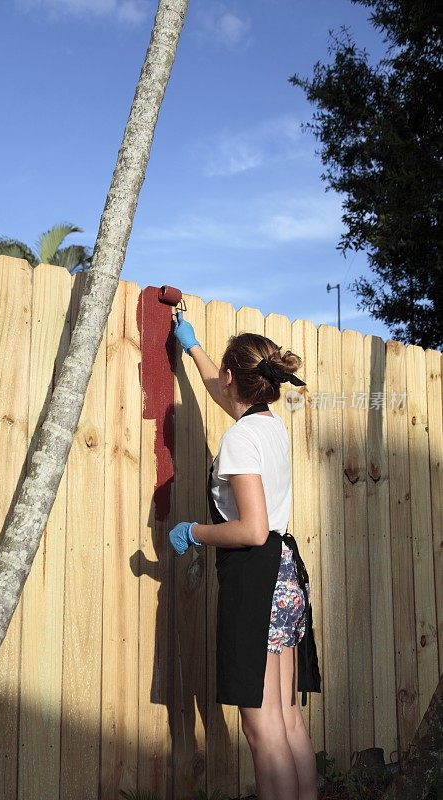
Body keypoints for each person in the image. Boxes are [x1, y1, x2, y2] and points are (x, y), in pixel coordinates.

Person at [168, 311, 321, 800]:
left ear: (236, 377)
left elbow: (252, 530)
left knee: (261, 729)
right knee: (286, 717)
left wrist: (195, 531)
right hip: (285, 578)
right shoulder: (267, 425)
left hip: (258, 583)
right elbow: (223, 391)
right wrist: (191, 345)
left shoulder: (239, 438)